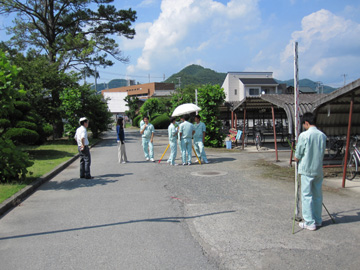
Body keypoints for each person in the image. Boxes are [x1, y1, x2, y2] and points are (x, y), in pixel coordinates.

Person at [294, 112, 327, 231]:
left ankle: (309, 221)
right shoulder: (322, 135)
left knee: (306, 195)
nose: (304, 126)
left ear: (306, 123)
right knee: (317, 195)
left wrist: (296, 157)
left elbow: (299, 152)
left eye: (304, 124)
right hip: (318, 169)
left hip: (307, 169)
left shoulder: (304, 135)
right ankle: (318, 220)